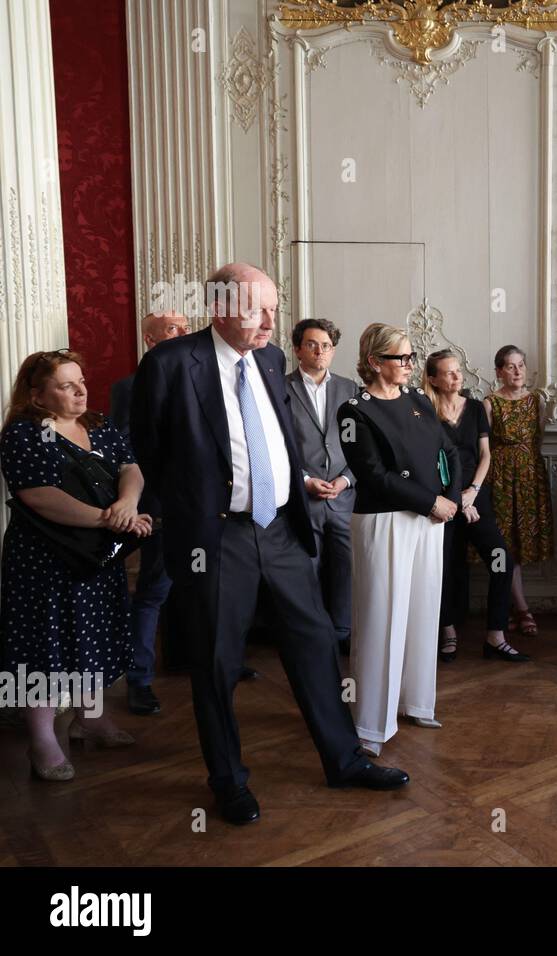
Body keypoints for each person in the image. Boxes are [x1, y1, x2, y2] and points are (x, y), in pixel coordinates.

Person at [130, 262, 409, 826]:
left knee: (315, 645)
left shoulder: (272, 358)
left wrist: (289, 487)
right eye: (260, 308)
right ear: (223, 307)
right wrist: (194, 514)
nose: (271, 320)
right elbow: (151, 450)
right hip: (216, 537)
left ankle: (344, 759)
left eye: (274, 308)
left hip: (282, 528)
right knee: (216, 662)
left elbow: (277, 439)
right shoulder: (169, 364)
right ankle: (228, 781)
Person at [2, 350, 153, 781]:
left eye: (81, 381)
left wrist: (127, 502)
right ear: (37, 394)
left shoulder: (97, 425)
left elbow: (131, 467)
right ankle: (41, 738)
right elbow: (38, 495)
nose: (81, 390)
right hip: (44, 560)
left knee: (96, 633)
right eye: (67, 385)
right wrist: (111, 518)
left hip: (97, 554)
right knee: (44, 643)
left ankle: (91, 717)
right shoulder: (23, 435)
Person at [338, 324, 461, 757]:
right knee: (381, 619)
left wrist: (450, 497)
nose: (410, 366)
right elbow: (373, 475)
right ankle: (372, 723)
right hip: (384, 521)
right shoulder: (354, 411)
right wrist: (432, 501)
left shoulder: (416, 400)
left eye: (410, 358)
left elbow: (447, 450)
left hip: (430, 519)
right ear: (374, 362)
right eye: (401, 359)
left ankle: (416, 701)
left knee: (423, 611)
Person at [423, 350, 528, 664]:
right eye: (449, 373)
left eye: (459, 371)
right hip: (441, 501)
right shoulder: (424, 413)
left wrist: (472, 492)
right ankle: (448, 632)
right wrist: (456, 500)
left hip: (476, 497)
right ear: (433, 379)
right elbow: (428, 463)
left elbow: (485, 456)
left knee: (501, 560)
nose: (458, 378)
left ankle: (495, 637)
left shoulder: (475, 409)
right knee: (446, 568)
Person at [108, 310, 190, 716]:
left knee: (204, 588)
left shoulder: (201, 378)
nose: (185, 332)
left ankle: (200, 660)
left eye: (185, 326)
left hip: (204, 509)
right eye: (174, 328)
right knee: (153, 591)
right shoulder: (131, 387)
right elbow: (125, 449)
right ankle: (139, 680)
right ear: (150, 340)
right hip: (156, 507)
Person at [287, 318, 358, 656]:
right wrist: (303, 480)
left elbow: (363, 447)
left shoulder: (350, 389)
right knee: (306, 566)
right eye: (312, 344)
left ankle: (342, 630)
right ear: (298, 348)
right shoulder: (280, 389)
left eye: (326, 345)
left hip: (343, 495)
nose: (320, 351)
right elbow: (277, 445)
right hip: (302, 495)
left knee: (346, 565)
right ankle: (311, 632)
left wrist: (345, 480)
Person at [484, 345, 554, 637]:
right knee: (504, 544)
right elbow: (484, 446)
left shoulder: (536, 400)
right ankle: (522, 608)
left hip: (529, 476)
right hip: (499, 477)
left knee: (522, 542)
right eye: (511, 366)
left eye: (521, 365)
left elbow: (537, 438)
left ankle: (513, 607)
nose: (517, 371)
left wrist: (525, 466)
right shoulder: (490, 403)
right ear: (499, 371)